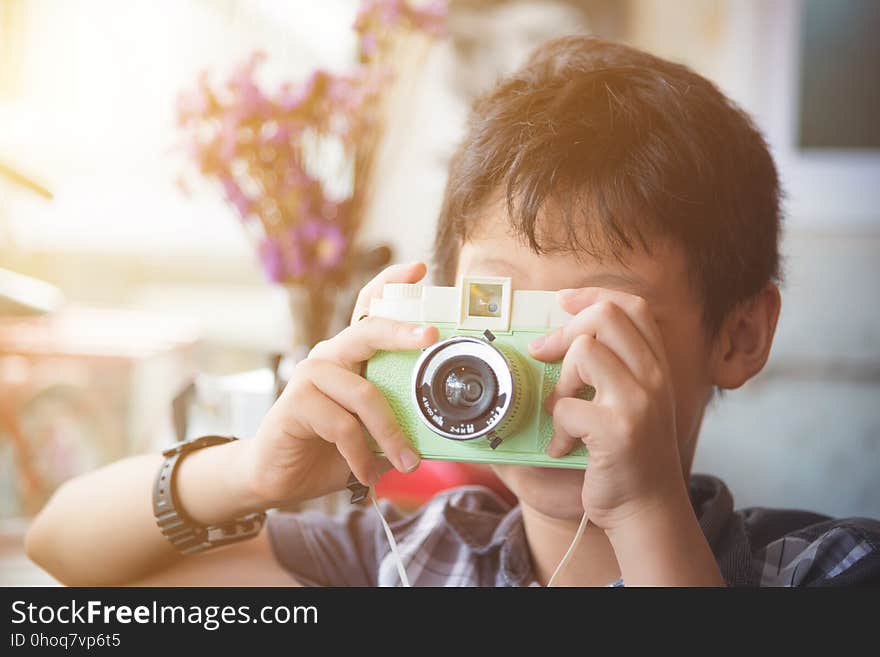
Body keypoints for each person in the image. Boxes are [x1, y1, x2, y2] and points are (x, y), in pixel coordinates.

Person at [26, 36, 880, 586]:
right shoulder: (409, 558)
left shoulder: (829, 571)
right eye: (496, 305)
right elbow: (63, 554)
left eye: (599, 320)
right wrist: (253, 471)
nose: (535, 362)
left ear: (739, 335)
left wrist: (647, 511)